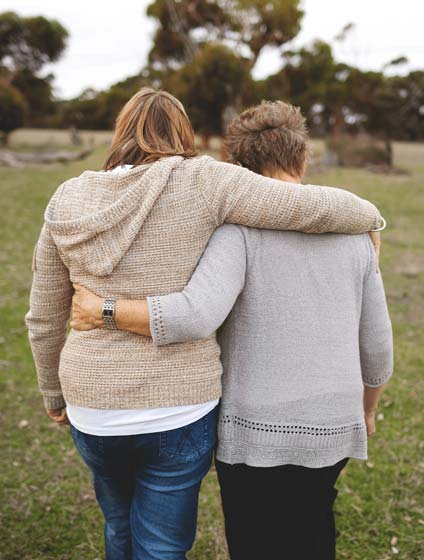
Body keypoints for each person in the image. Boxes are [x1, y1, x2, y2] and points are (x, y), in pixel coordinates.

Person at [26, 89, 385, 560]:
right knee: (165, 544)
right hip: (180, 404)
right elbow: (306, 207)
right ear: (183, 132)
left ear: (119, 130)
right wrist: (371, 219)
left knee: (118, 525)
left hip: (93, 402)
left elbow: (44, 314)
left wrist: (55, 390)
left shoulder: (67, 197)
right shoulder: (205, 182)